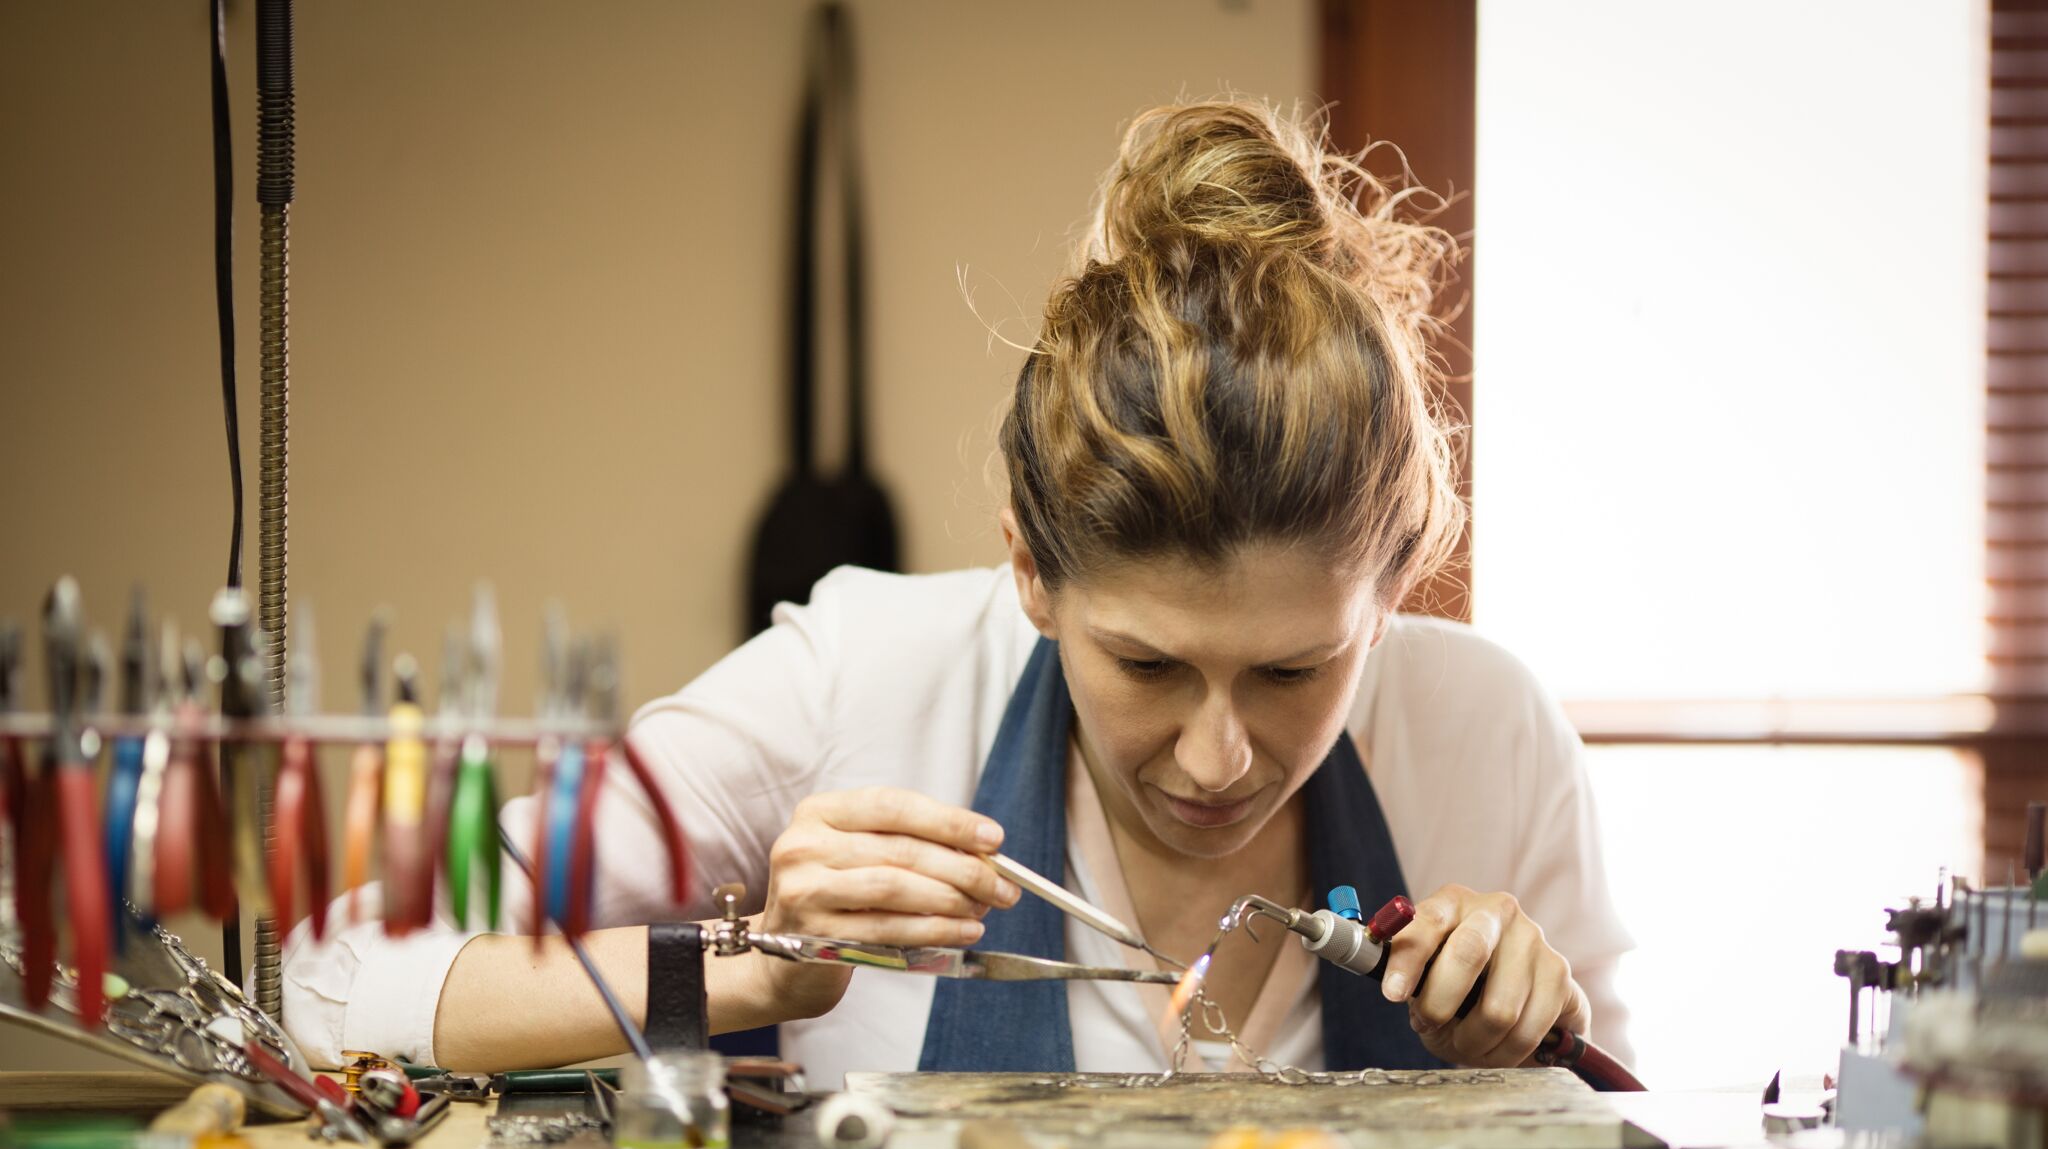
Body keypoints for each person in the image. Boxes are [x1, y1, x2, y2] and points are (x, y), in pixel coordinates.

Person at [282, 99, 1632, 1090]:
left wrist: (1536, 1044)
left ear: (1389, 596)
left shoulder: (1492, 741)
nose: (1220, 756)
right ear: (1030, 568)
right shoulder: (861, 676)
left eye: (1293, 672)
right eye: (1149, 665)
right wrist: (754, 963)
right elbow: (341, 975)